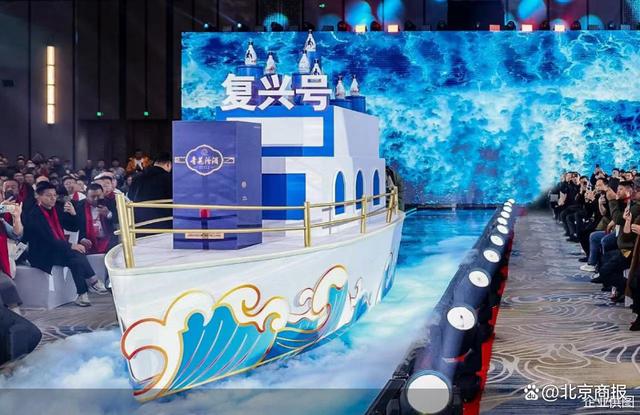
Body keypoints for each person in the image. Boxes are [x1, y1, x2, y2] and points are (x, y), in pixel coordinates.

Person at [24, 182, 107, 307]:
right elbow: (47, 239)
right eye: (48, 195)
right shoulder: (34, 214)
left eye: (54, 195)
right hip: (41, 253)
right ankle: (92, 281)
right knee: (75, 254)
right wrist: (71, 246)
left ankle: (83, 294)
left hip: (57, 250)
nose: (53, 198)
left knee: (75, 258)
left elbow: (73, 227)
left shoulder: (56, 209)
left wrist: (73, 214)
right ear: (38, 196)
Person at [128, 152, 173, 229]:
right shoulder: (169, 178)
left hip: (139, 224)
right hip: (163, 223)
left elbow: (130, 197)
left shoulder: (137, 178)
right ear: (168, 164)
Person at [77, 183, 117, 254]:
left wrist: (108, 214)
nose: (96, 199)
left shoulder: (110, 203)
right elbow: (77, 225)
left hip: (108, 240)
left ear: (103, 194)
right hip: (88, 242)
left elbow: (119, 220)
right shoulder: (79, 206)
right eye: (93, 197)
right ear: (86, 196)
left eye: (98, 196)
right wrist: (81, 238)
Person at [0, 200, 24, 315]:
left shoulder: (1, 222)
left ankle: (16, 316)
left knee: (7, 284)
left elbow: (17, 235)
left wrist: (16, 218)